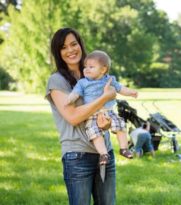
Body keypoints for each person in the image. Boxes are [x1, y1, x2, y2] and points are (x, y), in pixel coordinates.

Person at [46, 28, 115, 205]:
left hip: (104, 152)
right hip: (77, 157)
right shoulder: (56, 80)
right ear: (58, 52)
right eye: (63, 47)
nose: (70, 50)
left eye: (73, 44)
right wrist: (104, 97)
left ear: (80, 44)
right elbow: (73, 117)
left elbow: (105, 111)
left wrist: (106, 124)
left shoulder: (97, 74)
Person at [67, 50, 137, 160]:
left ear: (103, 69)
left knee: (120, 125)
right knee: (94, 133)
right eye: (85, 66)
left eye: (91, 67)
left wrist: (131, 92)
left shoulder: (109, 79)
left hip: (108, 111)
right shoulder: (83, 82)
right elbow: (76, 92)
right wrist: (70, 98)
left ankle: (124, 148)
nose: (86, 69)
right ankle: (103, 154)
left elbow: (120, 88)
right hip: (91, 113)